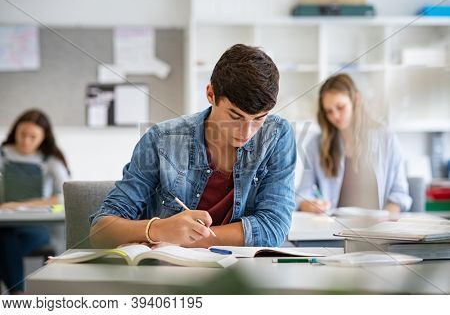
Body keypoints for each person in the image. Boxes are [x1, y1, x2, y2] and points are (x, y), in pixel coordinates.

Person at [89, 44, 296, 249]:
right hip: (171, 272)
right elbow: (100, 230)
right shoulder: (161, 139)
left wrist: (185, 240)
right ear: (210, 94)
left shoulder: (277, 135)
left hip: (240, 274)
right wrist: (159, 229)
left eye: (259, 119)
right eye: (235, 116)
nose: (247, 132)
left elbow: (273, 228)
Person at [297, 73, 411, 214]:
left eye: (340, 107)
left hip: (377, 230)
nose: (335, 116)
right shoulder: (316, 144)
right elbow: (303, 192)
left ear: (356, 99)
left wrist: (385, 219)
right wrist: (311, 205)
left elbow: (399, 194)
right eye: (329, 112)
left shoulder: (387, 138)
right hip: (333, 230)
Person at [0, 109, 70, 294]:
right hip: (5, 225)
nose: (26, 141)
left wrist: (19, 205)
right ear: (15, 131)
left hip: (39, 228)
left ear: (43, 137)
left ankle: (17, 296)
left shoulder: (51, 160)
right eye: (22, 134)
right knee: (5, 237)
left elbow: (65, 196)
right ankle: (19, 297)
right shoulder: (2, 154)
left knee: (4, 243)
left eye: (33, 136)